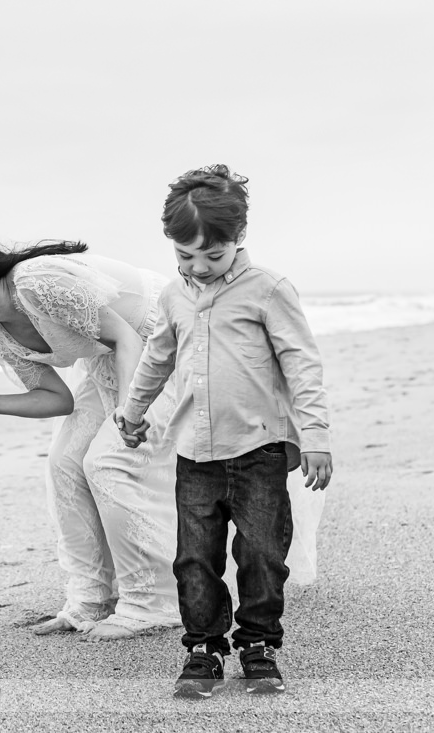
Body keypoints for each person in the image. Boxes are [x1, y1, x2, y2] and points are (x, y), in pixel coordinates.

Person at [119, 165, 333, 698]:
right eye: (185, 256)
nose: (199, 266)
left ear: (238, 238)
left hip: (258, 447)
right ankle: (204, 647)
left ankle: (258, 643)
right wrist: (132, 409)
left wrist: (317, 435)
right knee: (195, 556)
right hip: (194, 450)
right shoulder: (174, 295)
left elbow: (301, 364)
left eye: (212, 256)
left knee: (261, 553)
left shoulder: (269, 289)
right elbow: (156, 357)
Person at [0, 235, 183, 640]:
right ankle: (91, 598)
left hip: (159, 340)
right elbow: (57, 399)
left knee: (107, 463)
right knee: (64, 464)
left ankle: (152, 602)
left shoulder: (38, 282)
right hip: (107, 356)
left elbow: (127, 338)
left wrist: (129, 411)